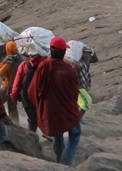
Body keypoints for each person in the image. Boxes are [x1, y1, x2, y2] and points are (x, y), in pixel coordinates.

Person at [28, 36, 83, 166]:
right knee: (75, 134)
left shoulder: (43, 66)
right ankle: (65, 164)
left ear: (51, 51)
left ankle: (59, 158)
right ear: (64, 52)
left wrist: (41, 106)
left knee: (58, 134)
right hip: (66, 109)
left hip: (50, 110)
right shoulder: (69, 71)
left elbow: (32, 90)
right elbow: (75, 94)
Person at [0, 40, 22, 123]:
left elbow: (0, 73)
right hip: (16, 86)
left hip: (7, 87)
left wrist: (2, 63)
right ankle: (16, 123)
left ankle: (2, 119)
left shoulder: (8, 63)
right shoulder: (19, 59)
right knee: (12, 107)